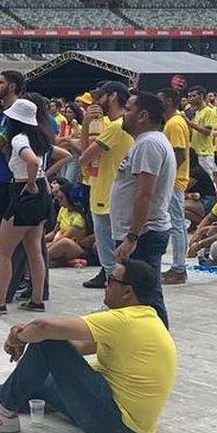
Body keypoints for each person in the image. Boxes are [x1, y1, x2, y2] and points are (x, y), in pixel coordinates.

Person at [0, 259, 176, 433]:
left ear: (128, 291)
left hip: (116, 425)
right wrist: (28, 333)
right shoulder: (145, 319)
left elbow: (46, 330)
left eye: (111, 281)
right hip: (121, 421)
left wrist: (20, 336)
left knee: (47, 342)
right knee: (40, 376)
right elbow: (74, 348)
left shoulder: (124, 320)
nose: (106, 285)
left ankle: (2, 412)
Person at [0, 98, 53, 314]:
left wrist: (30, 183)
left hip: (23, 191)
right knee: (34, 249)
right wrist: (37, 181)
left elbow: (32, 161)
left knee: (3, 251)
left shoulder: (19, 139)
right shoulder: (39, 138)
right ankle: (36, 300)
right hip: (41, 193)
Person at [111, 92, 175, 327]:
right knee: (136, 298)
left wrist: (132, 237)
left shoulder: (149, 144)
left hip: (144, 235)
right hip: (140, 234)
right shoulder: (146, 142)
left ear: (143, 116)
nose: (123, 114)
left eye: (128, 109)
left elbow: (145, 193)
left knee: (147, 298)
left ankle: (159, 341)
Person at [75, 81, 132, 288]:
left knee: (108, 251)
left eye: (101, 97)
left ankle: (113, 286)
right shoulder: (119, 124)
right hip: (112, 190)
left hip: (106, 192)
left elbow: (84, 158)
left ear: (113, 96)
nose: (97, 102)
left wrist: (85, 124)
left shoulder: (115, 127)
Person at [158, 88, 192, 285]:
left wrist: (165, 177)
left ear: (169, 101)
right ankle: (178, 267)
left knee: (177, 224)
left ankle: (179, 268)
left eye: (160, 99)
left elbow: (179, 154)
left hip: (174, 181)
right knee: (176, 223)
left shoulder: (175, 123)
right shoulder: (175, 122)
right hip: (173, 180)